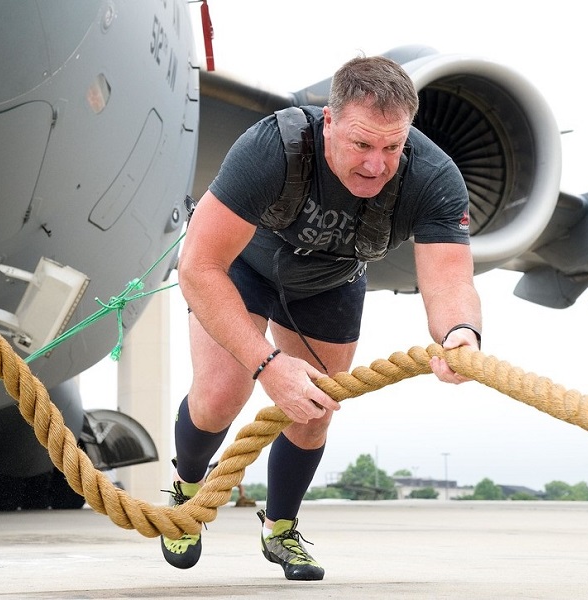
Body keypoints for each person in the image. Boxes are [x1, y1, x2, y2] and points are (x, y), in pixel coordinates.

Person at [162, 55, 482, 581]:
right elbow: (197, 266)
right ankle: (188, 491)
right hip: (241, 268)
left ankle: (281, 528)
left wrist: (460, 334)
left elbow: (450, 281)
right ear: (329, 122)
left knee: (313, 412)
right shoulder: (272, 148)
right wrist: (267, 364)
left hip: (329, 283)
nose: (376, 164)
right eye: (361, 144)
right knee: (221, 394)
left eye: (391, 147)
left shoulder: (433, 177)